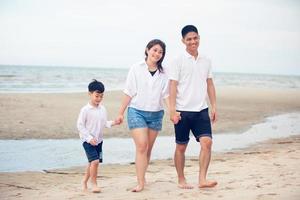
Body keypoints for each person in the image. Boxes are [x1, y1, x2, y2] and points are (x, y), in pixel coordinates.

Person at [168, 25, 218, 189]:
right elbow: (173, 86)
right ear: (183, 41)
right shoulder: (177, 60)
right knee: (181, 147)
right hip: (182, 111)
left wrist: (214, 106)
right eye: (189, 39)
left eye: (195, 38)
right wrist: (172, 110)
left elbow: (209, 84)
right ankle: (181, 180)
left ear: (199, 38)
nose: (193, 41)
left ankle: (202, 179)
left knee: (207, 143)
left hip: (201, 110)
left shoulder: (206, 60)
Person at [117, 39, 169, 192]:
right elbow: (129, 92)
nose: (157, 54)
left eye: (160, 52)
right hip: (136, 111)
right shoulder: (136, 68)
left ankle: (142, 176)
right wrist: (120, 112)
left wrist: (173, 112)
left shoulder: (164, 72)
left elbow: (166, 95)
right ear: (147, 50)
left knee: (148, 149)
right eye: (154, 50)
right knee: (142, 146)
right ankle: (140, 183)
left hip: (156, 113)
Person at [77, 79, 119, 193]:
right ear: (90, 94)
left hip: (99, 141)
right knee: (95, 162)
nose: (99, 99)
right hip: (87, 141)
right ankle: (94, 183)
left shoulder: (102, 109)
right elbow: (80, 126)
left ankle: (84, 181)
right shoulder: (85, 110)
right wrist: (89, 138)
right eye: (96, 96)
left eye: (101, 96)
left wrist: (114, 122)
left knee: (92, 163)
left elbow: (104, 123)